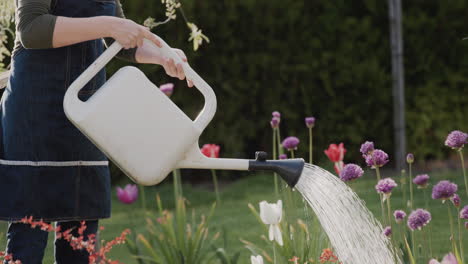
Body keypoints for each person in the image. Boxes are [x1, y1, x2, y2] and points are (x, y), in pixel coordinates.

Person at [0, 0, 192, 263]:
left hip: (85, 120)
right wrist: (110, 25)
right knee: (27, 241)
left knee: (81, 245)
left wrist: (162, 55)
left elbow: (122, 41)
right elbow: (32, 29)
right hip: (35, 117)